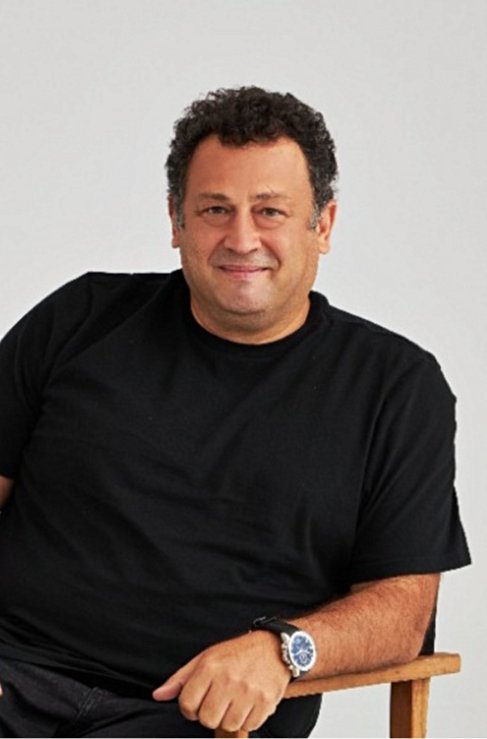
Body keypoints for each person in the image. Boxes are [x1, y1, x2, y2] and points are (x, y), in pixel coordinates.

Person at [0, 87, 470, 738]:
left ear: (322, 225)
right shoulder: (80, 319)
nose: (241, 238)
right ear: (176, 221)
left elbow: (401, 612)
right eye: (215, 209)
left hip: (204, 719)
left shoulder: (394, 386)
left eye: (270, 211)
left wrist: (283, 648)